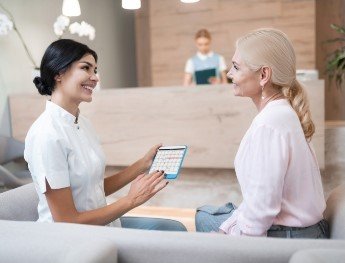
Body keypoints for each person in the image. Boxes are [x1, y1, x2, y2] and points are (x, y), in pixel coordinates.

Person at [25, 39, 186, 231]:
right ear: (59, 73)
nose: (94, 77)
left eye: (95, 70)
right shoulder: (46, 134)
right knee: (171, 232)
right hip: (72, 240)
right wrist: (131, 200)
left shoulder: (83, 124)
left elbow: (93, 188)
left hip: (103, 226)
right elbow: (67, 221)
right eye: (86, 68)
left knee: (173, 229)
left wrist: (142, 164)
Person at [195, 28, 329, 238]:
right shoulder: (282, 113)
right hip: (303, 230)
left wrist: (226, 239)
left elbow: (260, 212)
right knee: (206, 215)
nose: (229, 73)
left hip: (288, 237)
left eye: (236, 67)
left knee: (203, 218)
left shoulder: (270, 123)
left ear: (264, 75)